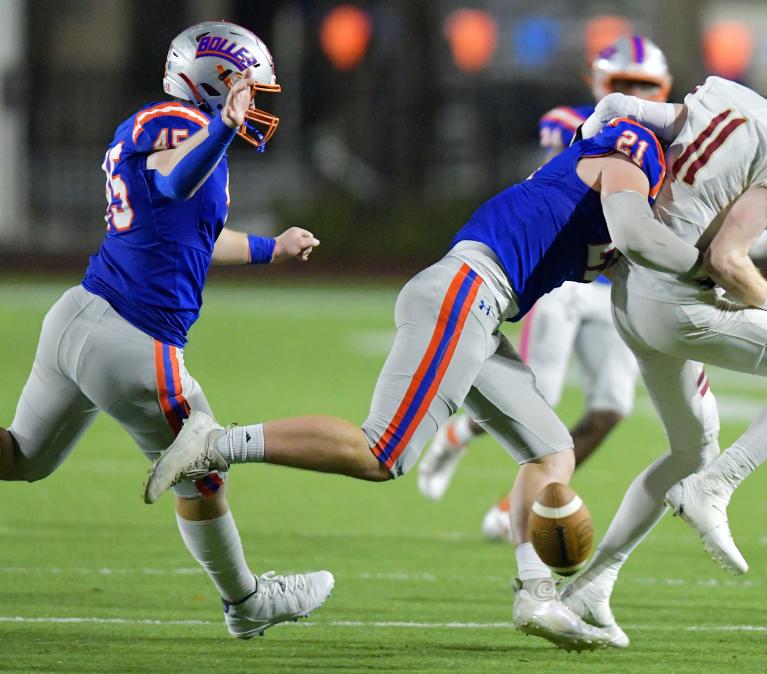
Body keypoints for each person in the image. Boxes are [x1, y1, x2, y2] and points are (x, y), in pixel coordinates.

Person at [142, 99, 709, 649]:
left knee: (550, 451)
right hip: (468, 292)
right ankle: (215, 442)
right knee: (383, 452)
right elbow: (633, 194)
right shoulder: (638, 151)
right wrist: (714, 269)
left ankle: (536, 595)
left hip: (481, 306)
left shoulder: (616, 176)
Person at [0, 21, 329, 639]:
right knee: (204, 474)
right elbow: (174, 180)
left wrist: (271, 248)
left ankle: (246, 602)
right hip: (131, 339)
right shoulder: (186, 125)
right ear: (217, 82)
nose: (256, 102)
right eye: (250, 89)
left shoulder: (177, 127)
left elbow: (194, 236)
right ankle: (247, 604)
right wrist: (224, 129)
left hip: (80, 315)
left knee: (20, 458)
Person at [560, 41, 767, 646]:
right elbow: (726, 259)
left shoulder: (730, 98)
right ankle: (717, 487)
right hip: (677, 302)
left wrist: (603, 121)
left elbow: (639, 111)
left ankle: (592, 586)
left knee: (690, 445)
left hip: (629, 292)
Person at [418, 35, 767, 544]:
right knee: (538, 398)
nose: (636, 90)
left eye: (645, 84)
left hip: (628, 282)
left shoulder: (680, 139)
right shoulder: (580, 124)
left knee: (611, 407)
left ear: (663, 88)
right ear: (598, 84)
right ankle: (463, 439)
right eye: (624, 84)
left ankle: (514, 508)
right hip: (570, 281)